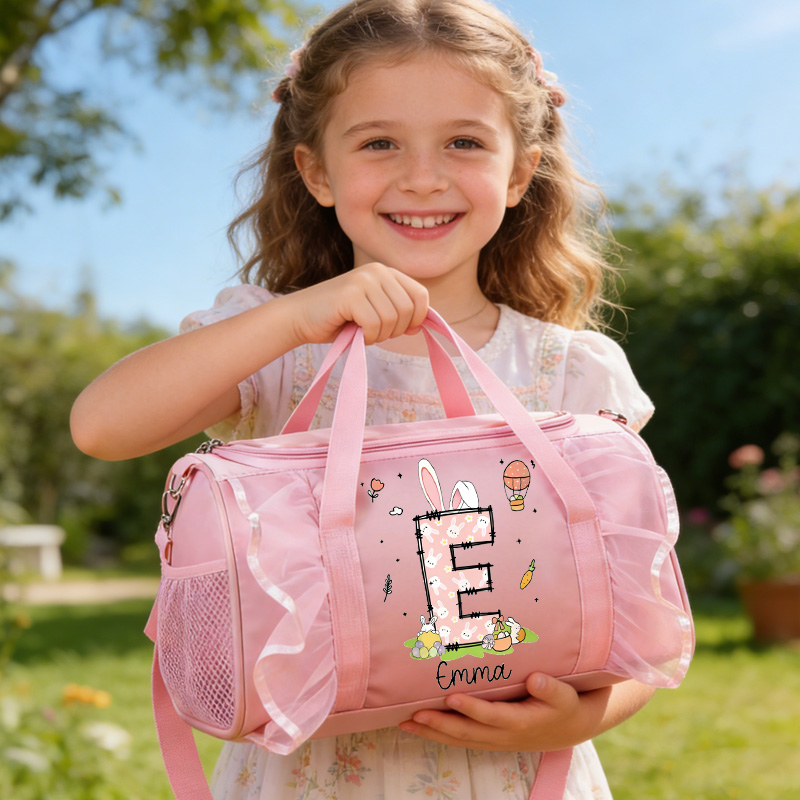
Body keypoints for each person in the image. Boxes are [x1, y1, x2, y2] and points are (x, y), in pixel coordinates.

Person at [71, 1, 659, 797]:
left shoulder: (571, 373)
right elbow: (102, 426)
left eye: (465, 141)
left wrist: (587, 715)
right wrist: (289, 317)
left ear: (520, 171)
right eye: (379, 142)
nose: (423, 176)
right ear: (317, 171)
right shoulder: (277, 348)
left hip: (516, 775)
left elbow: (642, 603)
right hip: (306, 770)